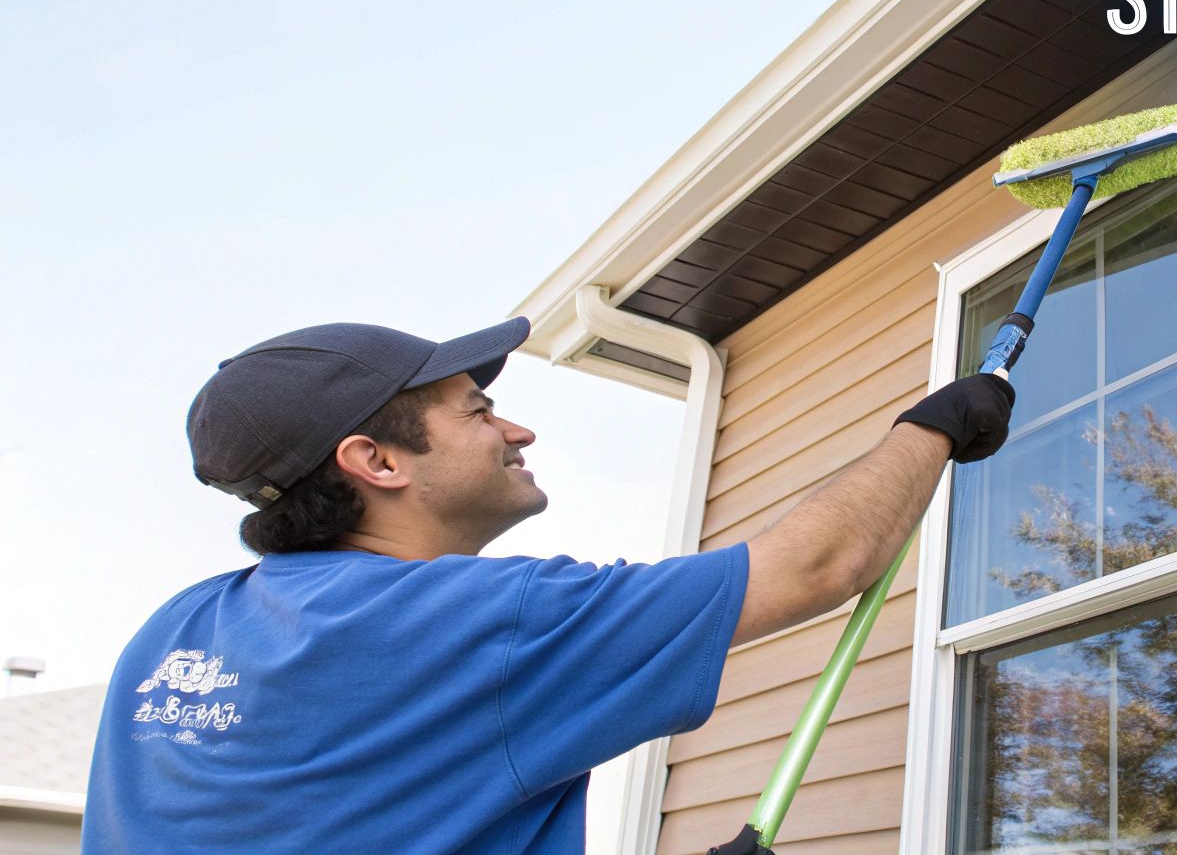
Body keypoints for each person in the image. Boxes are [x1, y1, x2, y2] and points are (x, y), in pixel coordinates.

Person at [82, 317, 1014, 853]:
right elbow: (820, 565)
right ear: (377, 461)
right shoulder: (481, 622)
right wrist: (934, 425)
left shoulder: (176, 630)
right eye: (478, 410)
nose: (516, 431)